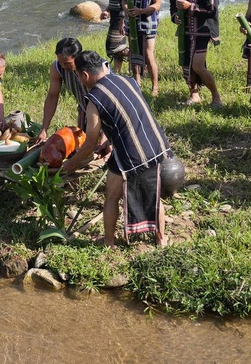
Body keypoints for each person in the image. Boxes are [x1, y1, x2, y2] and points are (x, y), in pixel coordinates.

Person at [61, 51, 176, 247]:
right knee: (153, 192)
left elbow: (89, 144)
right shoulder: (127, 80)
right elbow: (128, 117)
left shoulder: (94, 99)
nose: (80, 81)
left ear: (85, 75)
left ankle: (109, 241)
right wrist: (109, 142)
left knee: (112, 195)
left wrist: (69, 166)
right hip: (155, 145)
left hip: (131, 155)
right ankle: (161, 239)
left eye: (79, 77)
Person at [169, 0, 222, 107]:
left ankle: (216, 97)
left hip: (202, 32)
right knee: (186, 63)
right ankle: (194, 94)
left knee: (198, 65)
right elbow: (173, 3)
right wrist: (175, 16)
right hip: (185, 31)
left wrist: (190, 6)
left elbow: (211, 10)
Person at [33, 37, 88, 144]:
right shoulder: (57, 67)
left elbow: (107, 101)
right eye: (61, 62)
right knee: (82, 143)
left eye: (67, 63)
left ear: (78, 58)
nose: (64, 66)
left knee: (107, 144)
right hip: (84, 108)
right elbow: (52, 96)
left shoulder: (92, 67)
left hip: (105, 109)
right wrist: (44, 129)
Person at [124, 0, 164, 97]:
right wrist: (127, 9)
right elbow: (124, 0)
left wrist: (140, 11)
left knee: (148, 54)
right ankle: (137, 83)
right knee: (133, 51)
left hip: (148, 21)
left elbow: (157, 5)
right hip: (132, 21)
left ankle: (155, 87)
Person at [98, 0, 129, 74]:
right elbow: (114, 0)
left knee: (113, 47)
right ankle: (117, 72)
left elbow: (124, 2)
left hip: (120, 18)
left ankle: (140, 58)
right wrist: (107, 10)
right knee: (117, 48)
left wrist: (122, 21)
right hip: (115, 17)